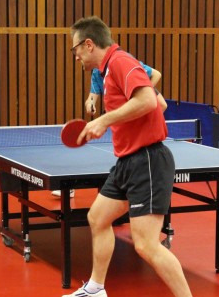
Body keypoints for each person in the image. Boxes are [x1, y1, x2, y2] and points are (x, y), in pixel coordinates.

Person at [60, 16, 207, 297]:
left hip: (148, 161)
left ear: (89, 44)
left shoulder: (121, 62)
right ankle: (96, 288)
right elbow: (159, 102)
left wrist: (104, 120)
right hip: (127, 161)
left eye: (75, 50)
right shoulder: (106, 71)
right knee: (98, 217)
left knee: (145, 244)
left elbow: (148, 100)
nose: (76, 57)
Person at [52, 63, 167, 198]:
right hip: (124, 116)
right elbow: (92, 97)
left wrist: (138, 96)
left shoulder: (124, 65)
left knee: (160, 106)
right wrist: (90, 103)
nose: (78, 58)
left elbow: (157, 76)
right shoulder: (97, 72)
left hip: (136, 100)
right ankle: (71, 184)